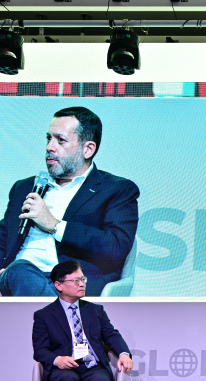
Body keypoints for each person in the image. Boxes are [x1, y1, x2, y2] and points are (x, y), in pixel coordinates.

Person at [0, 107, 139, 297]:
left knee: (20, 271)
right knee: (20, 271)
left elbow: (115, 248)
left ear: (88, 149)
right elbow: (3, 239)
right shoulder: (25, 187)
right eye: (49, 138)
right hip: (16, 278)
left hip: (71, 285)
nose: (50, 147)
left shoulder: (116, 190)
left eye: (60, 140)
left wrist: (54, 225)